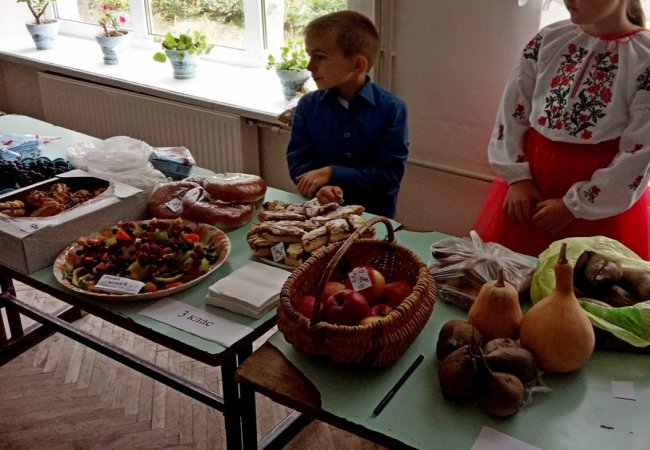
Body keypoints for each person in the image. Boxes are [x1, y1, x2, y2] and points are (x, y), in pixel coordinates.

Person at [473, 0, 650, 259]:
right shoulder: (550, 38)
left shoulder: (644, 58)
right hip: (532, 184)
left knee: (581, 276)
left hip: (599, 198)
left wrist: (575, 206)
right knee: (512, 270)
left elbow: (641, 150)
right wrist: (517, 177)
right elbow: (512, 109)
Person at [285, 10, 409, 218]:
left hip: (373, 219)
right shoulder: (308, 105)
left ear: (357, 64)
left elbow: (389, 175)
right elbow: (298, 161)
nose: (310, 66)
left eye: (320, 57)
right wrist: (319, 189)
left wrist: (332, 173)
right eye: (309, 55)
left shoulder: (392, 109)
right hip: (321, 214)